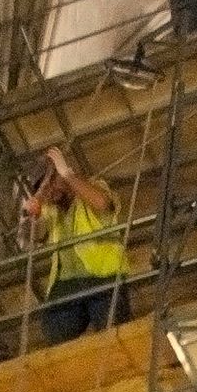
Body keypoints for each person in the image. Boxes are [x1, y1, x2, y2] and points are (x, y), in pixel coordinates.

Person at [23, 145, 128, 345]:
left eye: (52, 181)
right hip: (66, 283)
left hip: (102, 276)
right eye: (44, 187)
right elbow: (37, 236)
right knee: (53, 331)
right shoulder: (50, 209)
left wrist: (68, 175)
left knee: (114, 335)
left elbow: (101, 203)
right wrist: (34, 217)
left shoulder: (94, 188)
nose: (49, 191)